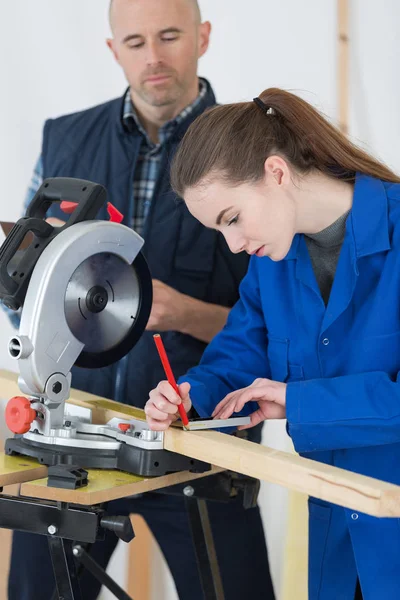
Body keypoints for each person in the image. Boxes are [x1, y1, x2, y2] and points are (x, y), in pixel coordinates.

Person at [6, 1, 275, 599]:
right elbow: (20, 284)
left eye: (170, 35)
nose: (153, 58)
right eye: (134, 42)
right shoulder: (66, 139)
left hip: (199, 446)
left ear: (203, 37)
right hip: (74, 437)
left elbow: (282, 328)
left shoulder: (253, 151)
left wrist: (187, 314)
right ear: (112, 49)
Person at [145, 86, 400, 600]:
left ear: (277, 172)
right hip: (335, 536)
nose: (234, 244)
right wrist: (189, 394)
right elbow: (239, 354)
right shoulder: (270, 266)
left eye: (232, 219)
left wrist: (299, 401)